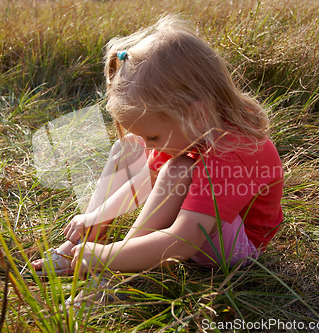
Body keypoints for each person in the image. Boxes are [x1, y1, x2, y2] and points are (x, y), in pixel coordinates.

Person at [31, 15, 283, 276]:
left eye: (153, 137)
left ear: (195, 113)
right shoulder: (193, 127)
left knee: (177, 169)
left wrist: (106, 257)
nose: (151, 146)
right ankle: (84, 241)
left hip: (233, 247)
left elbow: (182, 242)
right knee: (129, 148)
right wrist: (98, 215)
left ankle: (115, 277)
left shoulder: (234, 152)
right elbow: (144, 182)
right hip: (200, 220)